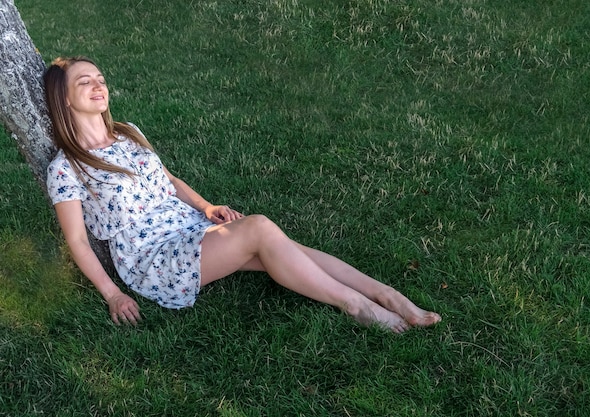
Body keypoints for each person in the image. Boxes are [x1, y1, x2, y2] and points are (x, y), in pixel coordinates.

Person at [43, 56, 441, 333]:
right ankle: (356, 306)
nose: (98, 86)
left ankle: (386, 294)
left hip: (189, 227)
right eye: (85, 82)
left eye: (100, 79)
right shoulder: (67, 167)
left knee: (282, 249)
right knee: (262, 231)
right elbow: (77, 239)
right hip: (154, 257)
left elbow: (169, 181)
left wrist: (206, 206)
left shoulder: (128, 132)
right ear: (64, 98)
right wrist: (112, 295)